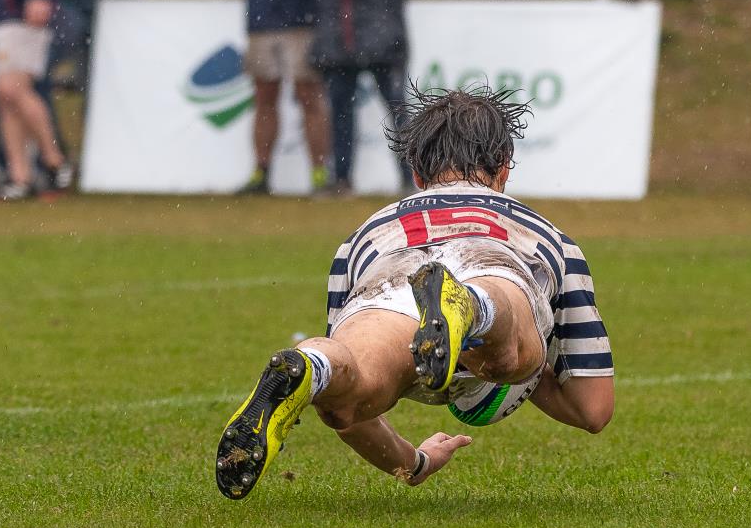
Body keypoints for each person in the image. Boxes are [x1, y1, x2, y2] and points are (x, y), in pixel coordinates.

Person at [214, 86, 615, 499]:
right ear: (503, 168)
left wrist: (415, 462)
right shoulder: (545, 234)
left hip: (390, 270)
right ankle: (473, 309)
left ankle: (311, 365)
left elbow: (350, 420)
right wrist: (527, 371)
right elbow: (593, 408)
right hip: (492, 263)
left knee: (353, 384)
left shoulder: (363, 236)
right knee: (513, 350)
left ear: (418, 174)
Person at [0, 0, 73, 201]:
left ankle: (55, 160)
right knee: (3, 98)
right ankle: (19, 177)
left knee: (11, 88)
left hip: (17, 17)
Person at [311, 0, 413, 195]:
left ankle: (410, 177)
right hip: (350, 44)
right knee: (346, 113)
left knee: (396, 111)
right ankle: (343, 179)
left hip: (372, 44)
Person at [237, 0, 330, 195]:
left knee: (309, 97)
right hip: (262, 19)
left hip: (301, 19)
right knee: (264, 98)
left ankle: (319, 175)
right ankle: (261, 172)